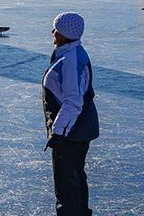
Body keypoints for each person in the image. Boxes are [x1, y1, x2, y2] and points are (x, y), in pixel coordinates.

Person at [44, 12, 99, 216]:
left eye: (56, 29)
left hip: (72, 130)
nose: (53, 32)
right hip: (76, 128)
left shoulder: (70, 59)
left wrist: (58, 133)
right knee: (74, 176)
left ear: (65, 33)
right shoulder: (69, 52)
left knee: (67, 182)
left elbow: (73, 102)